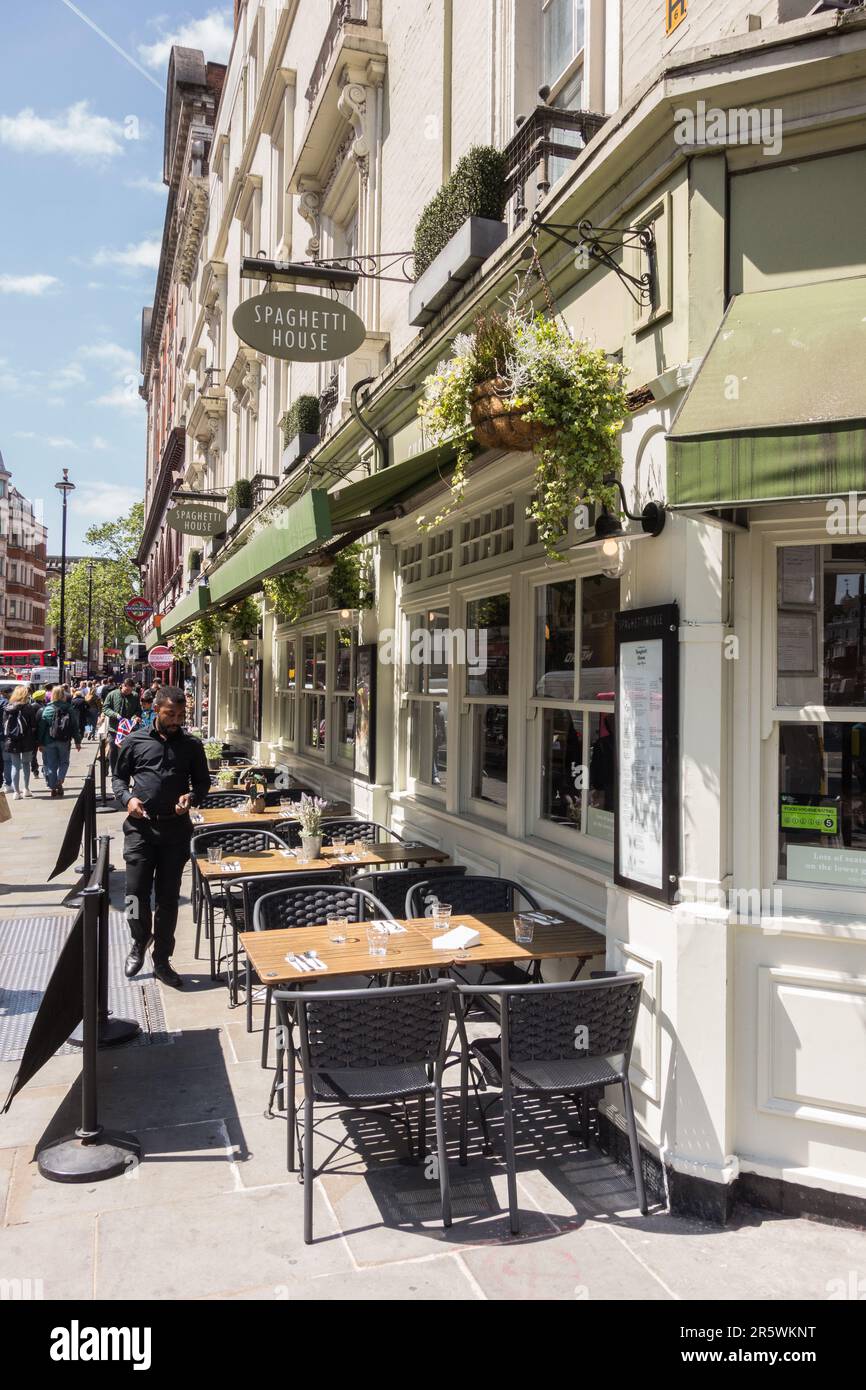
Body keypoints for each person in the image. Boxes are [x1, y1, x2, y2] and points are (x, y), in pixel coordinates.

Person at [112, 686, 210, 989]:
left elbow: (203, 784)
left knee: (168, 900)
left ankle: (162, 960)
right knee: (133, 893)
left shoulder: (192, 745)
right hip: (140, 830)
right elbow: (118, 778)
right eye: (170, 714)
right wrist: (127, 799)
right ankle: (139, 940)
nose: (176, 721)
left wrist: (191, 797)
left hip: (175, 831)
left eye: (181, 715)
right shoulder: (135, 740)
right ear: (156, 709)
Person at [37, 685, 82, 798]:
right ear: (63, 695)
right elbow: (74, 726)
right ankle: (60, 780)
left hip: (49, 740)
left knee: (51, 764)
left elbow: (42, 727)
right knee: (64, 762)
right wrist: (77, 741)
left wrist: (40, 742)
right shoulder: (69, 708)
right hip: (64, 740)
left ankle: (53, 787)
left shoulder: (47, 709)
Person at [2, 685, 40, 799]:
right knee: (26, 764)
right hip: (27, 739)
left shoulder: (8, 707)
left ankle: (16, 792)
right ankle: (26, 789)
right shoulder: (28, 708)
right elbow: (33, 726)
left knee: (15, 765)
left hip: (12, 740)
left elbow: (4, 724)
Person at [103, 677, 142, 777]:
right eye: (126, 690)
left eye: (130, 690)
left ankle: (124, 773)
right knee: (114, 751)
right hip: (114, 729)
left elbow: (138, 710)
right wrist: (115, 715)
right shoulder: (112, 694)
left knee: (127, 752)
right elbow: (105, 708)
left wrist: (135, 717)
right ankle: (114, 773)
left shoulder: (135, 696)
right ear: (122, 686)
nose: (128, 692)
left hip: (128, 729)